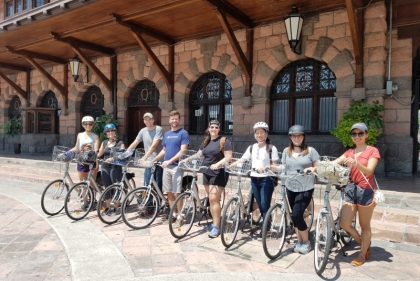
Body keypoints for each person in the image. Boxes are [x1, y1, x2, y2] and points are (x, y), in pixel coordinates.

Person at [336, 122, 380, 266]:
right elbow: (336, 162)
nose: (357, 136)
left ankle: (362, 254)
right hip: (350, 189)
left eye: (360, 133)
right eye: (354, 134)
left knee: (364, 225)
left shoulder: (372, 151)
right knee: (344, 223)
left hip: (365, 191)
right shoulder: (349, 152)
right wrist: (316, 168)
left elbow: (369, 171)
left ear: (366, 134)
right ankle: (364, 243)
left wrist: (356, 163)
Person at [281, 124, 319, 254]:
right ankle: (300, 240)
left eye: (299, 135)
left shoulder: (311, 151)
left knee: (297, 214)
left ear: (303, 137)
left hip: (305, 187)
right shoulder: (287, 151)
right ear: (290, 137)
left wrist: (312, 169)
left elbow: (318, 166)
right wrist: (270, 168)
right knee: (294, 216)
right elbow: (283, 167)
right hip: (290, 186)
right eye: (293, 136)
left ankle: (307, 242)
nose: (296, 138)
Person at [191, 120, 232, 238]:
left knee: (214, 198)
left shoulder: (224, 141)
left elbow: (228, 157)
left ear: (219, 129)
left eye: (216, 127)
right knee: (212, 200)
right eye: (211, 127)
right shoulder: (206, 141)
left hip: (219, 173)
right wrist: (187, 159)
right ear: (208, 129)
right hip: (206, 172)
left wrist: (218, 164)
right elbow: (199, 154)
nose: (213, 129)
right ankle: (215, 222)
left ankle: (216, 227)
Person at [241, 122, 279, 238]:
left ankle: (266, 225)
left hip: (266, 179)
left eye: (262, 132)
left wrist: (266, 167)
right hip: (254, 178)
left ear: (266, 133)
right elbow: (243, 158)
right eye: (257, 133)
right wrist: (232, 163)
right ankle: (267, 221)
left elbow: (275, 166)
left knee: (264, 203)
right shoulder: (252, 147)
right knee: (259, 203)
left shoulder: (272, 148)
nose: (259, 135)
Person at [153, 110, 189, 224]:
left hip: (177, 167)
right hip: (166, 167)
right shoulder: (167, 134)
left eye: (176, 119)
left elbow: (183, 151)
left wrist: (169, 161)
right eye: (172, 119)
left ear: (179, 120)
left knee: (177, 192)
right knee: (168, 192)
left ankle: (180, 215)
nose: (174, 121)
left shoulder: (183, 133)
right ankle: (173, 214)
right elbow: (164, 150)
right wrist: (153, 160)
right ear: (169, 120)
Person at [126, 112, 163, 190]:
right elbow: (135, 143)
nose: (148, 121)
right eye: (146, 120)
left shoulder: (158, 129)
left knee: (157, 184)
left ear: (153, 120)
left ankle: (158, 201)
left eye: (150, 119)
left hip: (158, 161)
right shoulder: (143, 131)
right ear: (143, 121)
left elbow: (154, 146)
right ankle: (145, 200)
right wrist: (125, 154)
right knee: (146, 184)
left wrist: (144, 158)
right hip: (148, 162)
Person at [96, 123, 125, 215]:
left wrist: (113, 158)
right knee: (107, 187)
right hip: (105, 166)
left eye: (112, 130)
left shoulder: (120, 143)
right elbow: (99, 154)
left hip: (115, 167)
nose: (110, 132)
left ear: (115, 131)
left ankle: (115, 208)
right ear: (105, 133)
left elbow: (122, 154)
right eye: (108, 131)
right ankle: (109, 207)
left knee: (116, 187)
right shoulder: (104, 143)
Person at [71, 116, 100, 182]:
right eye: (86, 124)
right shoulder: (79, 135)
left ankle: (93, 192)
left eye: (90, 124)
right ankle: (83, 192)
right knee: (82, 182)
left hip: (92, 162)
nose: (88, 126)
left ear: (93, 125)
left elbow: (96, 150)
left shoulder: (95, 136)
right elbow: (76, 147)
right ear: (82, 125)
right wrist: (66, 153)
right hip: (81, 161)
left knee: (91, 183)